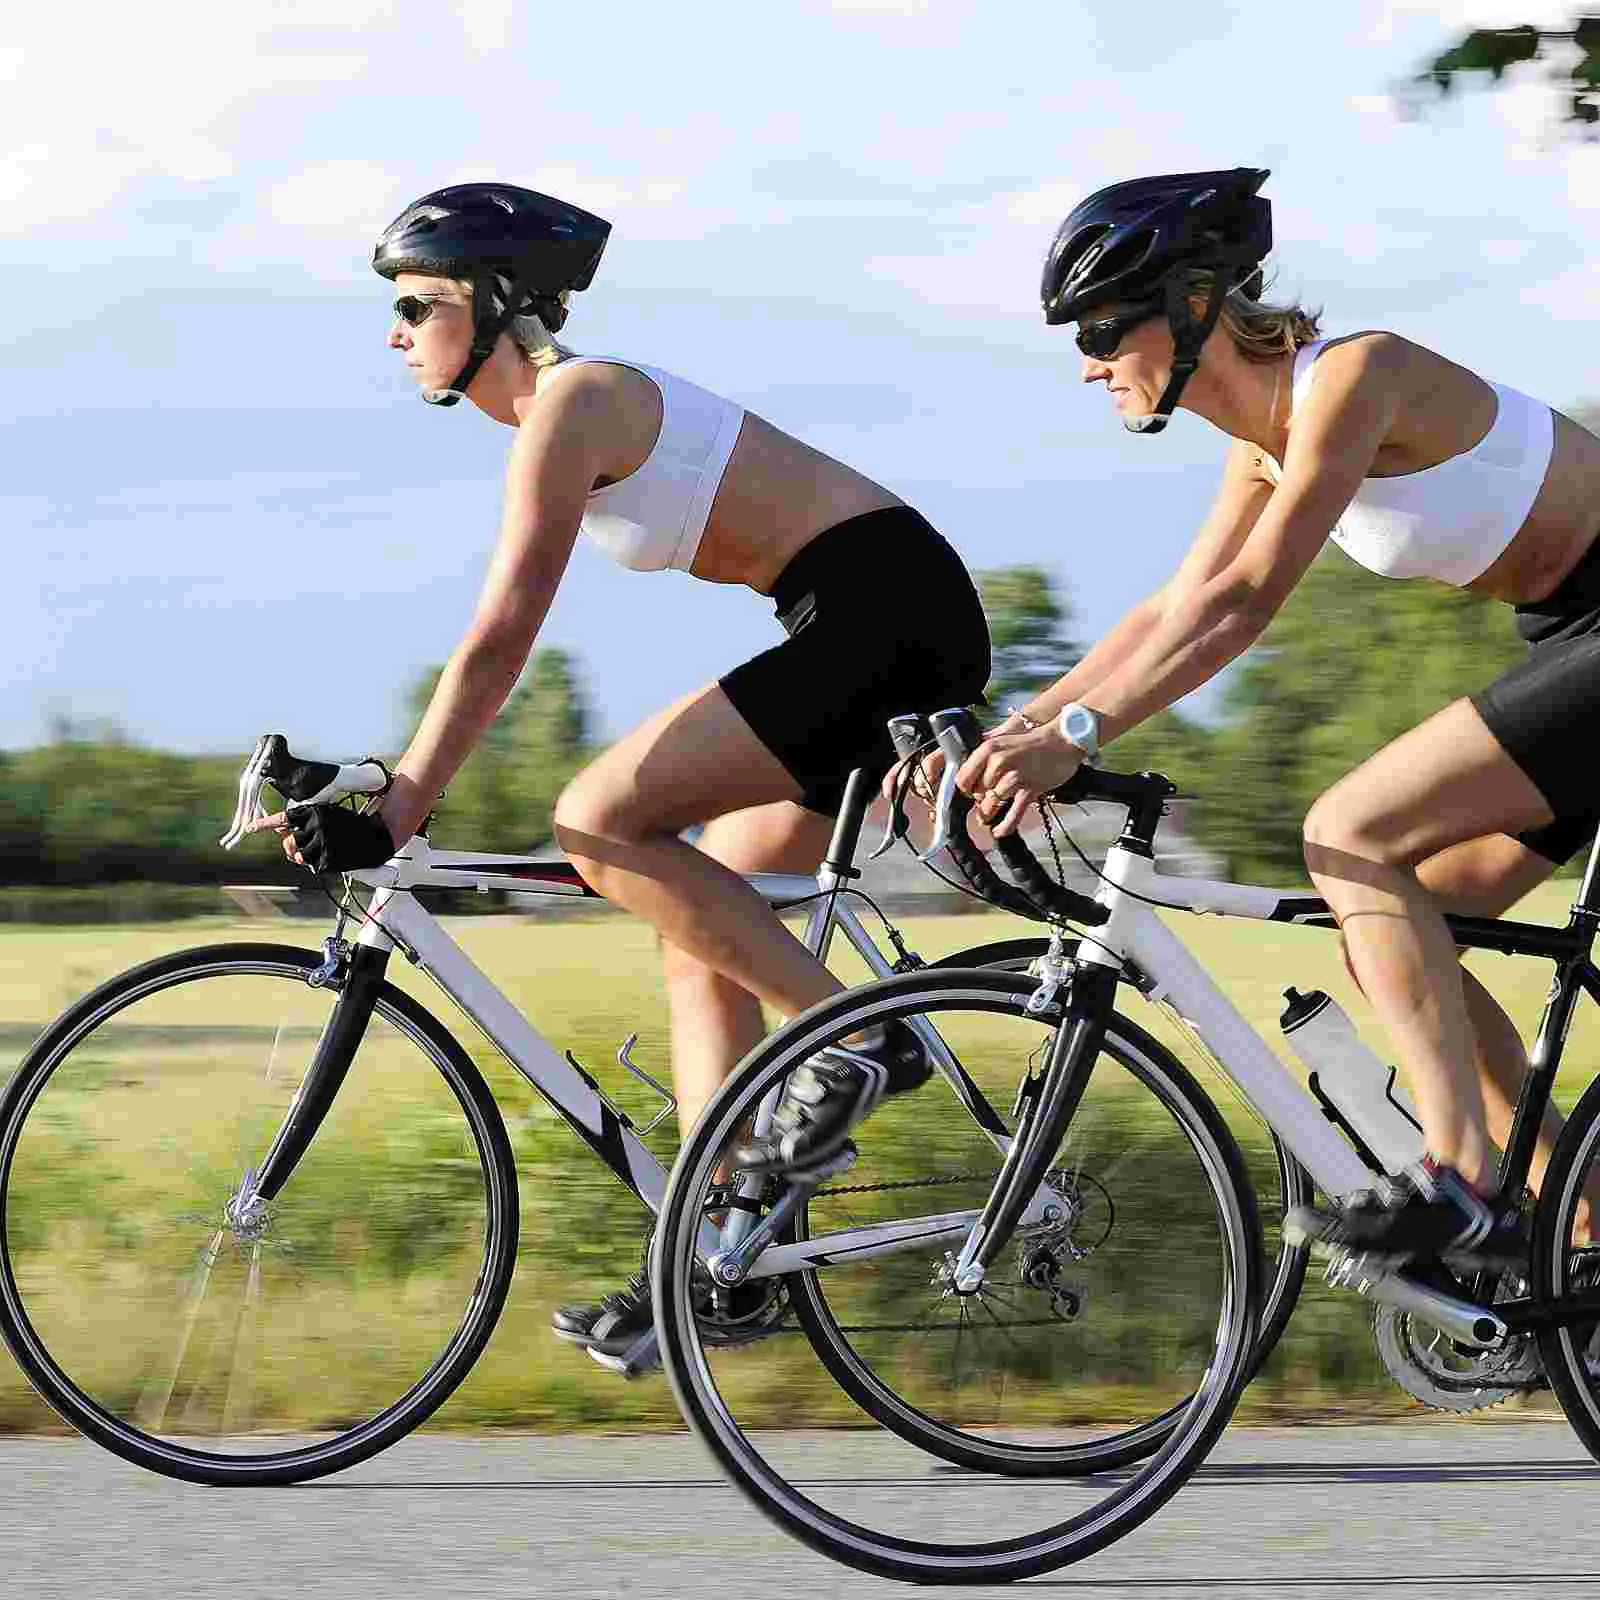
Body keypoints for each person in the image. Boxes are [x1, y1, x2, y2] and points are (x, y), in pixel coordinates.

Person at [254, 182, 990, 1363]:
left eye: (412, 303)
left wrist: (405, 797)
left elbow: (504, 630)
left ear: (493, 305)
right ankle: (722, 1256)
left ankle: (854, 1037)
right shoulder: (562, 413)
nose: (394, 331)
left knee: (597, 825)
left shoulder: (574, 403)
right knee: (701, 914)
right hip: (859, 617)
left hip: (885, 614)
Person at [949, 166, 1600, 1266]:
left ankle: (1460, 1181)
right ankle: (1578, 1227)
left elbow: (1248, 604)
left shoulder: (1355, 379)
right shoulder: (1260, 447)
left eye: (1104, 329)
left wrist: (1077, 740)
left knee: (1348, 838)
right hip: (1567, 639)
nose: (1091, 363)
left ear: (1196, 305)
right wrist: (1021, 728)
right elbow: (1182, 603)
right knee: (1395, 929)